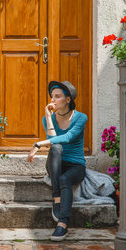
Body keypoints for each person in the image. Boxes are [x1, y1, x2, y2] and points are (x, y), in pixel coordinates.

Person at [27, 81, 87, 241]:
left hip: (76, 165)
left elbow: (68, 137)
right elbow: (54, 141)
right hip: (56, 163)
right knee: (56, 148)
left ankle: (62, 224)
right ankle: (56, 198)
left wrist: (38, 144)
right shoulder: (47, 119)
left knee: (65, 179)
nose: (53, 100)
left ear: (68, 100)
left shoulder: (80, 117)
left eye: (58, 96)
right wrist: (48, 116)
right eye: (52, 96)